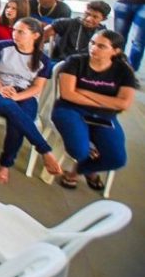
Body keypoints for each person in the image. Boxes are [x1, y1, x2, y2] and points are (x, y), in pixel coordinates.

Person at [0, 17, 63, 184]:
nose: (15, 34)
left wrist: (18, 96)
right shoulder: (2, 47)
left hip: (24, 94)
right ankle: (44, 150)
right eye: (14, 30)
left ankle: (5, 165)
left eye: (21, 32)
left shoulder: (43, 60)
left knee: (16, 123)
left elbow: (37, 87)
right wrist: (0, 88)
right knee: (10, 107)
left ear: (35, 35)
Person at [54, 31, 138, 191]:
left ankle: (81, 170)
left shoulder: (124, 71)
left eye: (101, 46)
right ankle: (86, 166)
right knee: (79, 150)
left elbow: (124, 104)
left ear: (115, 51)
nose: (93, 48)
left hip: (104, 116)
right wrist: (107, 102)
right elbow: (68, 94)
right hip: (70, 109)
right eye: (92, 43)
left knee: (117, 159)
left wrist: (86, 92)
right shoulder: (75, 61)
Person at [45, 0, 111, 64]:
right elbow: (41, 35)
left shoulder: (103, 33)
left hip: (86, 66)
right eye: (87, 14)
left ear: (103, 19)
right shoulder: (65, 23)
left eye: (95, 17)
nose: (89, 19)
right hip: (61, 62)